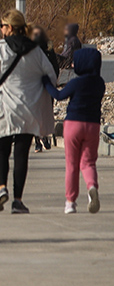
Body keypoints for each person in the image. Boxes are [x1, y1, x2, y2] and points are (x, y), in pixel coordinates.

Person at [0, 9, 58, 214]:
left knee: (2, 150)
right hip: (28, 110)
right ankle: (18, 200)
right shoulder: (36, 51)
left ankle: (1, 188)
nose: (1, 29)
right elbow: (51, 76)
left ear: (10, 28)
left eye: (2, 25)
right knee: (22, 154)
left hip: (3, 108)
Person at [42, 47, 104, 214]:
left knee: (71, 164)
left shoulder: (76, 82)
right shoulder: (100, 84)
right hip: (93, 125)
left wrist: (46, 82)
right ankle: (92, 188)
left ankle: (70, 202)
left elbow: (59, 95)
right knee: (88, 162)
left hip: (73, 124)